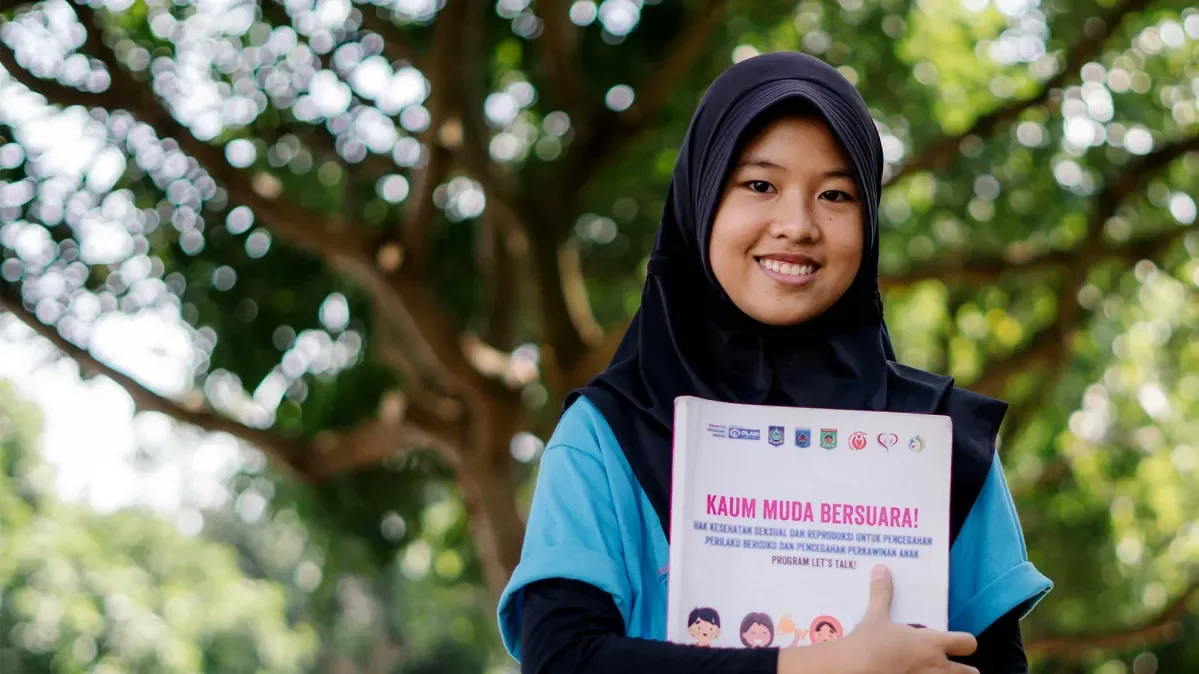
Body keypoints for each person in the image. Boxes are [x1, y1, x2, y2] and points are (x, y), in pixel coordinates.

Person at [496, 51, 1052, 674]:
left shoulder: (941, 445)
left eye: (835, 194)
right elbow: (561, 659)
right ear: (702, 197)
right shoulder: (605, 436)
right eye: (760, 185)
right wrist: (825, 666)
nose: (797, 225)